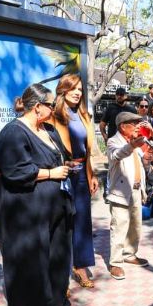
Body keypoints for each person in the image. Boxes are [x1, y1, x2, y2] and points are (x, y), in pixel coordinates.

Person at [0, 84, 72, 306]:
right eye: (50, 104)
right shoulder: (13, 133)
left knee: (56, 258)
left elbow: (58, 157)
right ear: (37, 107)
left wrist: (66, 166)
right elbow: (14, 171)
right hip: (25, 212)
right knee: (29, 265)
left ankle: (53, 304)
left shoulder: (48, 129)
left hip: (53, 207)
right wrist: (51, 173)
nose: (54, 108)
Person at [52, 74, 100, 290]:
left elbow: (88, 150)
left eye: (80, 89)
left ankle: (80, 267)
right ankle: (59, 277)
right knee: (61, 224)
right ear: (63, 90)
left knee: (82, 223)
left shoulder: (83, 115)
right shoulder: (54, 115)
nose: (78, 92)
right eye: (73, 88)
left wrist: (93, 175)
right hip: (61, 173)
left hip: (81, 174)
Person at [106, 112, 153, 280]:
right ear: (122, 126)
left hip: (135, 190)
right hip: (120, 192)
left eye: (138, 123)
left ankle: (130, 253)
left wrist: (150, 136)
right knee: (119, 227)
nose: (137, 126)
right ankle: (116, 263)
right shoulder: (113, 141)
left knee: (135, 225)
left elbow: (144, 156)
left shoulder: (137, 140)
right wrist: (132, 145)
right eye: (133, 123)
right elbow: (117, 155)